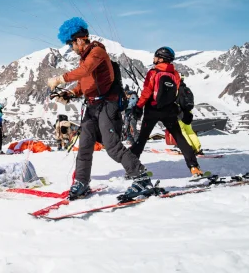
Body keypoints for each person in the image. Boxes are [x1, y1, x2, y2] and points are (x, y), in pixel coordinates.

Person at [48, 17, 153, 201]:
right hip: (92, 107)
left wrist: (60, 79)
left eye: (71, 43)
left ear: (80, 39)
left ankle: (141, 177)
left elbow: (85, 71)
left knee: (112, 146)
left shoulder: (96, 52)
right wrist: (69, 94)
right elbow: (83, 85)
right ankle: (81, 182)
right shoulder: (84, 58)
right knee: (85, 146)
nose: (71, 48)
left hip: (107, 105)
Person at [129, 47, 204, 177]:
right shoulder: (175, 74)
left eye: (156, 56)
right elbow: (177, 93)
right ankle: (194, 167)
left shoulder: (153, 72)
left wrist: (139, 107)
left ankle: (132, 168)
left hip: (152, 109)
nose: (154, 59)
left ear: (161, 58)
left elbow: (147, 92)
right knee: (180, 139)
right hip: (169, 110)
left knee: (142, 139)